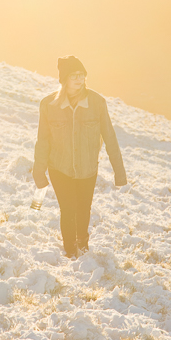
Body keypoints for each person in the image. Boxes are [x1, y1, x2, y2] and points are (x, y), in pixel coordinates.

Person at [33, 56, 127, 258]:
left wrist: (119, 173)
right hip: (59, 167)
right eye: (74, 75)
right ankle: (69, 249)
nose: (79, 79)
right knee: (68, 209)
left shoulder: (97, 103)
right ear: (64, 79)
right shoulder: (49, 105)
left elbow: (110, 138)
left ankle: (83, 245)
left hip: (87, 168)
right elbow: (43, 141)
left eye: (82, 75)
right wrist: (38, 171)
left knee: (83, 209)